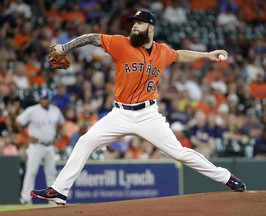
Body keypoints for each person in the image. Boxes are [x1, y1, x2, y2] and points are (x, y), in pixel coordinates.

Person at [31, 10, 246, 205]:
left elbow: (180, 55)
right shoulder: (120, 43)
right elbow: (91, 38)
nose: (134, 26)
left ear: (151, 29)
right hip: (120, 113)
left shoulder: (162, 52)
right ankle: (59, 190)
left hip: (147, 115)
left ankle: (226, 177)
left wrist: (207, 55)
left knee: (179, 153)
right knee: (86, 141)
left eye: (139, 23)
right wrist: (64, 47)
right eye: (133, 23)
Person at [16, 88, 65, 204]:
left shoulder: (55, 110)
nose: (45, 101)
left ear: (50, 99)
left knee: (51, 173)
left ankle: (52, 199)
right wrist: (27, 137)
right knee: (31, 172)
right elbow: (18, 122)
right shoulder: (32, 110)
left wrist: (56, 135)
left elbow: (61, 123)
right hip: (36, 146)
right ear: (40, 99)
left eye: (46, 99)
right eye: (43, 99)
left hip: (49, 146)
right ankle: (25, 198)